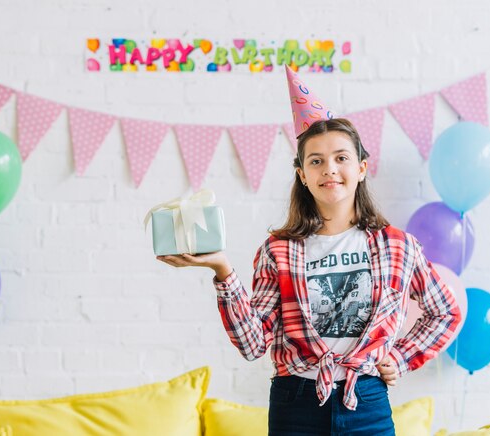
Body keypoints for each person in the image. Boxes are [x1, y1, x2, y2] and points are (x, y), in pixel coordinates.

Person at [157, 68, 461, 436]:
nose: (329, 169)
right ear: (302, 174)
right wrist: (222, 270)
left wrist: (400, 356)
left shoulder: (396, 246)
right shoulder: (279, 251)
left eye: (341, 158)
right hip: (296, 404)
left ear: (361, 168)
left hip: (365, 403)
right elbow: (254, 345)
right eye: (315, 160)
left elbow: (445, 312)